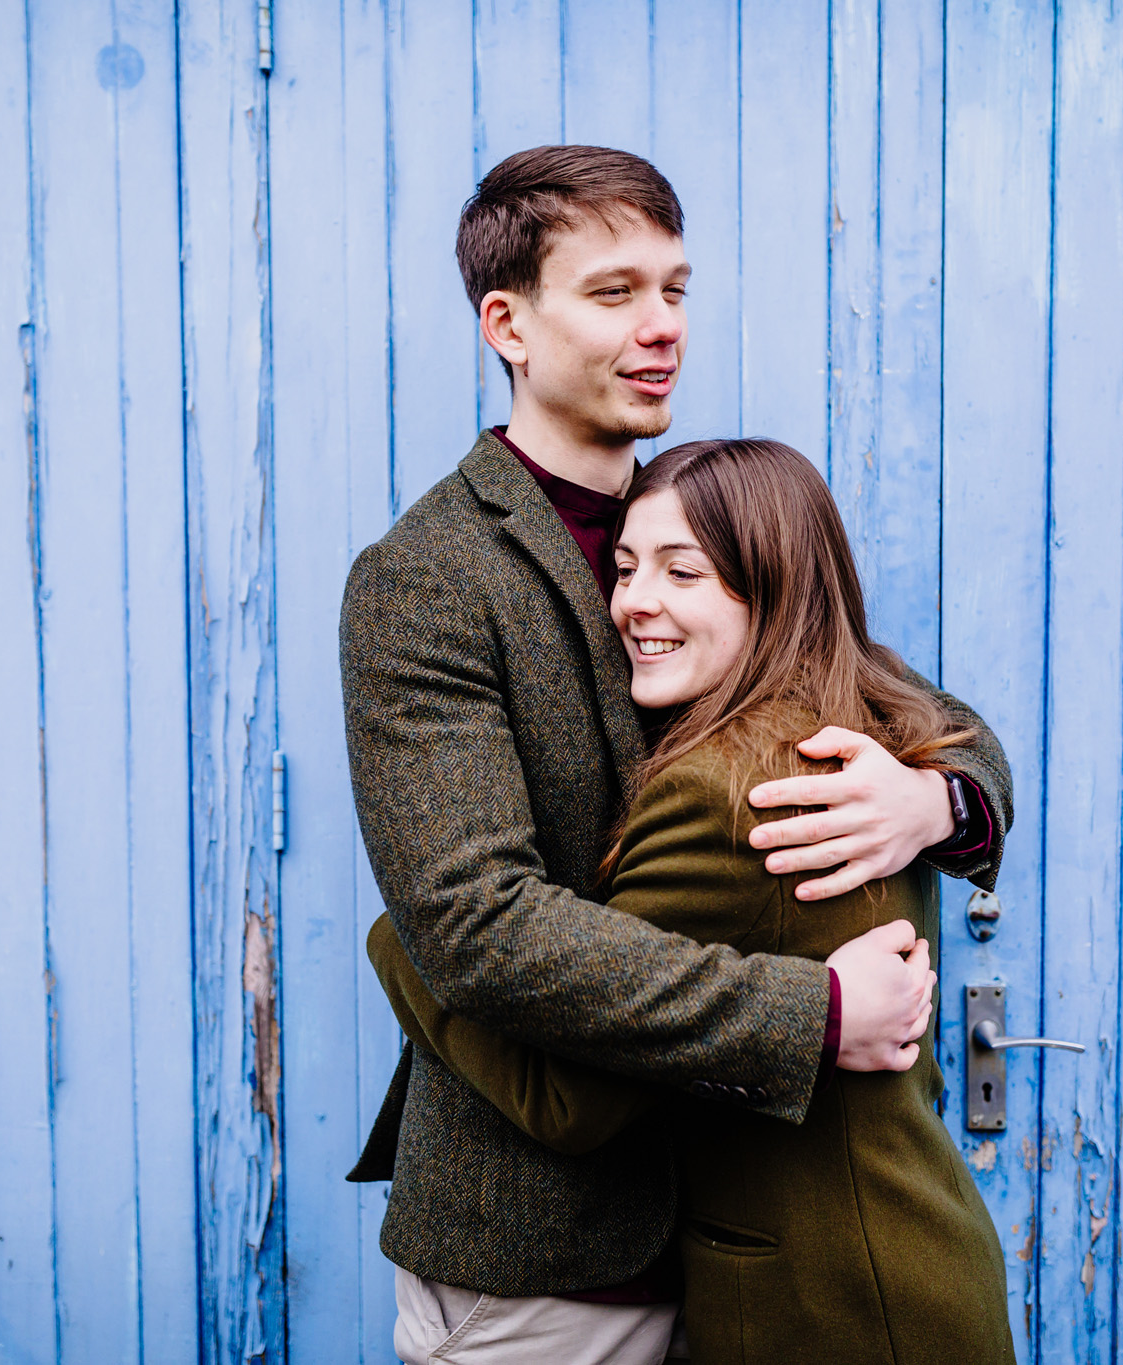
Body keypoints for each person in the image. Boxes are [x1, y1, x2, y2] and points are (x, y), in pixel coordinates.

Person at [339, 144, 1012, 1364]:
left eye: (676, 290)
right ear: (508, 323)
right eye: (613, 294)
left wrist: (937, 801)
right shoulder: (426, 579)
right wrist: (809, 1014)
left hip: (746, 1243)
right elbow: (479, 925)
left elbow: (917, 710)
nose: (661, 329)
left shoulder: (701, 514)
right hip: (545, 1250)